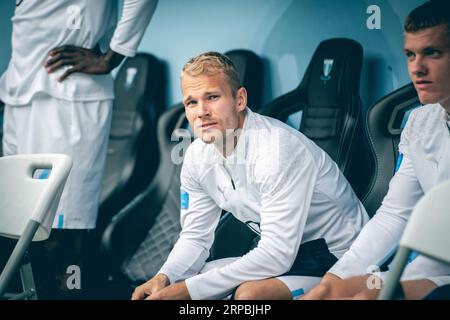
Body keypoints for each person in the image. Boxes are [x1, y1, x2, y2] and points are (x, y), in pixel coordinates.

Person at [131, 51, 369, 300]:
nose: (201, 112)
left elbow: (277, 254)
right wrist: (165, 277)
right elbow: (195, 237)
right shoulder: (195, 157)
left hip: (340, 260)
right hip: (289, 257)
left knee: (249, 296)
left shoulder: (277, 149)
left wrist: (189, 291)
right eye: (192, 102)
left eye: (212, 97)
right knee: (189, 280)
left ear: (240, 99)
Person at [0, 0, 158, 298]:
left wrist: (113, 56)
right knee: (21, 227)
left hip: (65, 96)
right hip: (19, 94)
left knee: (61, 228)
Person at [301, 0, 450, 300]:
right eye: (410, 54)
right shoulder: (421, 123)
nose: (417, 68)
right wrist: (334, 279)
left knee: (367, 298)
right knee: (332, 294)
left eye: (432, 53)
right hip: (433, 266)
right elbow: (396, 214)